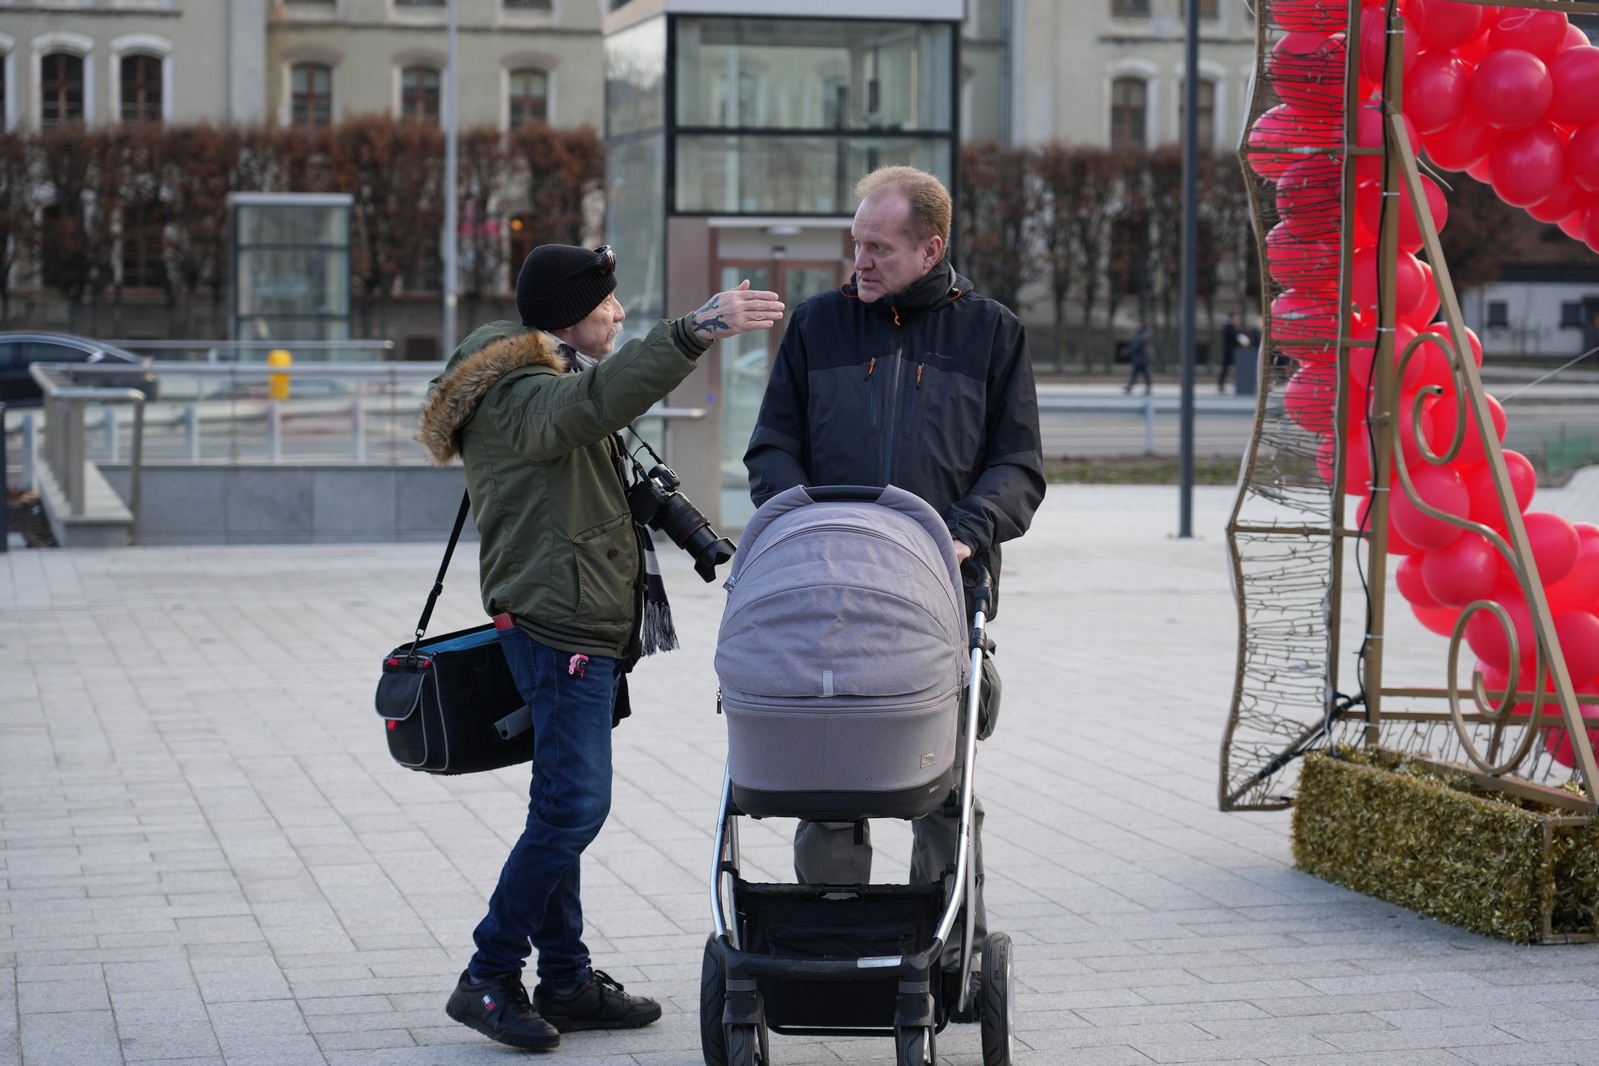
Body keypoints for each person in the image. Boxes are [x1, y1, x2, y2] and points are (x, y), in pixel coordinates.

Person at [418, 244, 783, 1052]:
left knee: (558, 805)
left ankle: (566, 981)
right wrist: (692, 330)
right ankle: (487, 975)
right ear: (565, 317)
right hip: (559, 627)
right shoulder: (522, 393)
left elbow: (593, 433)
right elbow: (592, 403)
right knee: (574, 808)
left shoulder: (544, 376)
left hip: (572, 616)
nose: (619, 312)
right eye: (605, 302)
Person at [744, 165, 1044, 963]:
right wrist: (803, 527)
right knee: (828, 784)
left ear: (930, 248)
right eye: (856, 243)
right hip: (828, 597)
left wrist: (962, 533)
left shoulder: (992, 333)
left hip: (941, 598)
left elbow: (1018, 466)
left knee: (939, 786)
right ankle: (827, 949)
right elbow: (772, 448)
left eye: (879, 247)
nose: (861, 261)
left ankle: (943, 954)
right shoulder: (816, 326)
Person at [1124, 322, 1152, 395]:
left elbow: (1135, 345)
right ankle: (1131, 387)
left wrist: (1127, 351)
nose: (1136, 327)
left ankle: (1130, 387)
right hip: (1142, 358)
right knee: (1140, 373)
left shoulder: (1140, 336)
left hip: (1140, 359)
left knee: (1138, 373)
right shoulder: (1143, 335)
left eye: (1138, 326)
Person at [1219, 313, 1241, 393]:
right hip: (1229, 352)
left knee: (1226, 369)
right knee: (1225, 369)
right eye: (1236, 319)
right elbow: (1232, 340)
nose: (1237, 321)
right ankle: (1221, 385)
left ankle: (1223, 384)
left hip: (1232, 352)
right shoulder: (1228, 328)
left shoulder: (1231, 328)